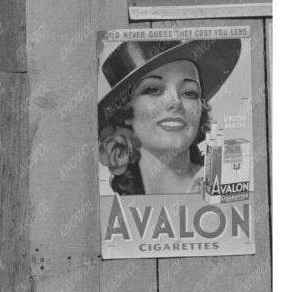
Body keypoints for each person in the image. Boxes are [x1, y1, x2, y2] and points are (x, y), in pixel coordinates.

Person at [97, 34, 241, 198]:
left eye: (189, 92)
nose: (176, 102)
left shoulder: (226, 182)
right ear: (125, 113)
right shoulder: (121, 204)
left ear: (201, 107)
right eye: (153, 90)